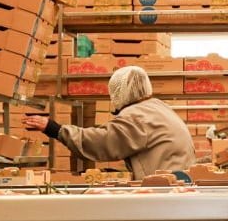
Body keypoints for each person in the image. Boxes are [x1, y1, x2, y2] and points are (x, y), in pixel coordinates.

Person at [23, 65, 195, 179]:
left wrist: (54, 128)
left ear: (119, 93)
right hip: (177, 184)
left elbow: (102, 141)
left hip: (164, 192)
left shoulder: (137, 116)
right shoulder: (157, 107)